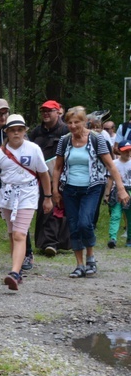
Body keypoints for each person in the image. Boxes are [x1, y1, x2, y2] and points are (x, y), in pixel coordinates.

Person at [0, 115, 53, 290]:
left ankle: (15, 273)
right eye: (13, 130)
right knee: (12, 234)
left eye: (20, 129)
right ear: (7, 132)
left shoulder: (33, 149)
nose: (16, 133)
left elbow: (43, 174)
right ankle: (15, 268)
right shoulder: (0, 153)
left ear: (25, 131)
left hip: (28, 193)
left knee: (19, 234)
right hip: (8, 195)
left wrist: (47, 197)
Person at [52, 106, 129, 278]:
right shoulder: (64, 140)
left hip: (92, 187)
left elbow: (111, 165)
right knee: (73, 225)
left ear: (85, 121)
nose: (72, 126)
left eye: (76, 122)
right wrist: (54, 191)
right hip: (69, 188)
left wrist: (121, 189)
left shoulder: (96, 139)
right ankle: (79, 265)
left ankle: (91, 257)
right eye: (69, 122)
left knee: (85, 223)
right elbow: (57, 168)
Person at [30, 100, 70, 256]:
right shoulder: (36, 132)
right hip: (41, 177)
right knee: (45, 208)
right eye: (43, 111)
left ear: (58, 112)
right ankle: (47, 243)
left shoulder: (66, 131)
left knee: (59, 209)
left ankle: (56, 243)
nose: (45, 114)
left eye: (49, 111)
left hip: (63, 177)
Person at [105, 140, 131, 248]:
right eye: (125, 151)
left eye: (130, 150)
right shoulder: (114, 163)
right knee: (115, 215)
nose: (128, 153)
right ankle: (113, 238)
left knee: (130, 216)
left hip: (130, 190)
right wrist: (107, 194)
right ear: (119, 151)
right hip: (117, 191)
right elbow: (110, 180)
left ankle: (129, 238)